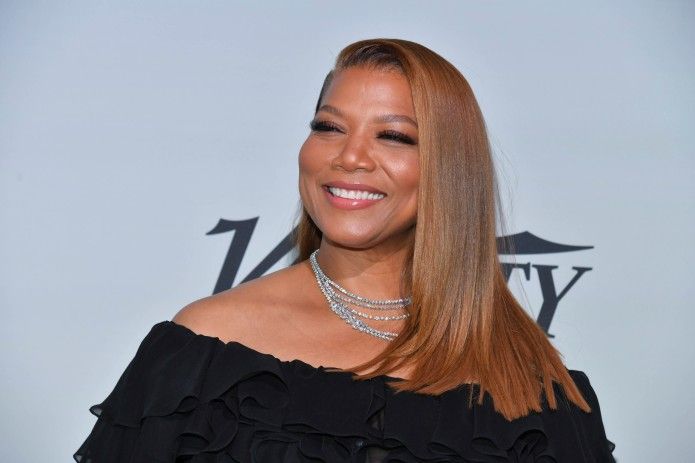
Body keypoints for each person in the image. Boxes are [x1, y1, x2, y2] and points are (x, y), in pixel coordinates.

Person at [74, 38, 616, 462]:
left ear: (451, 171)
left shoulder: (535, 386)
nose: (350, 156)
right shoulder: (203, 348)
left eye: (394, 136)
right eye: (329, 127)